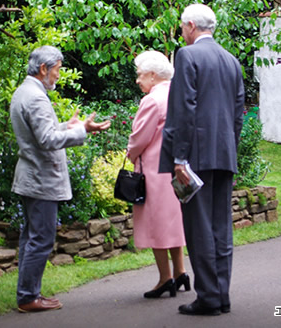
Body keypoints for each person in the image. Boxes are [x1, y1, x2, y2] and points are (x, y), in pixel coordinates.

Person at [10, 45, 110, 312]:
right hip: (40, 180)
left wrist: (74, 126)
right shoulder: (36, 97)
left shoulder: (25, 91)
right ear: (44, 69)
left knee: (31, 237)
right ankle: (28, 297)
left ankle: (29, 293)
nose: (58, 75)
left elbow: (45, 132)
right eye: (57, 69)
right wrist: (81, 134)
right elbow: (46, 140)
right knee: (40, 238)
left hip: (31, 179)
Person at [159, 4, 244, 316]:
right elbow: (238, 113)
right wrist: (230, 149)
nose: (182, 31)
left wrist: (179, 157)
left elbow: (184, 108)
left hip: (195, 157)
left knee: (199, 228)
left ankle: (208, 297)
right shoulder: (232, 61)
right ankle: (221, 294)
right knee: (222, 227)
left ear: (191, 26)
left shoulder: (187, 55)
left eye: (183, 26)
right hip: (224, 154)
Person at [127, 50, 188, 299]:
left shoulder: (152, 100)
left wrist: (130, 153)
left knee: (156, 224)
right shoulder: (178, 94)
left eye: (140, 75)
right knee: (172, 222)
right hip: (175, 169)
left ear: (152, 76)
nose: (138, 80)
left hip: (153, 170)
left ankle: (165, 278)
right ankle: (181, 272)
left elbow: (140, 138)